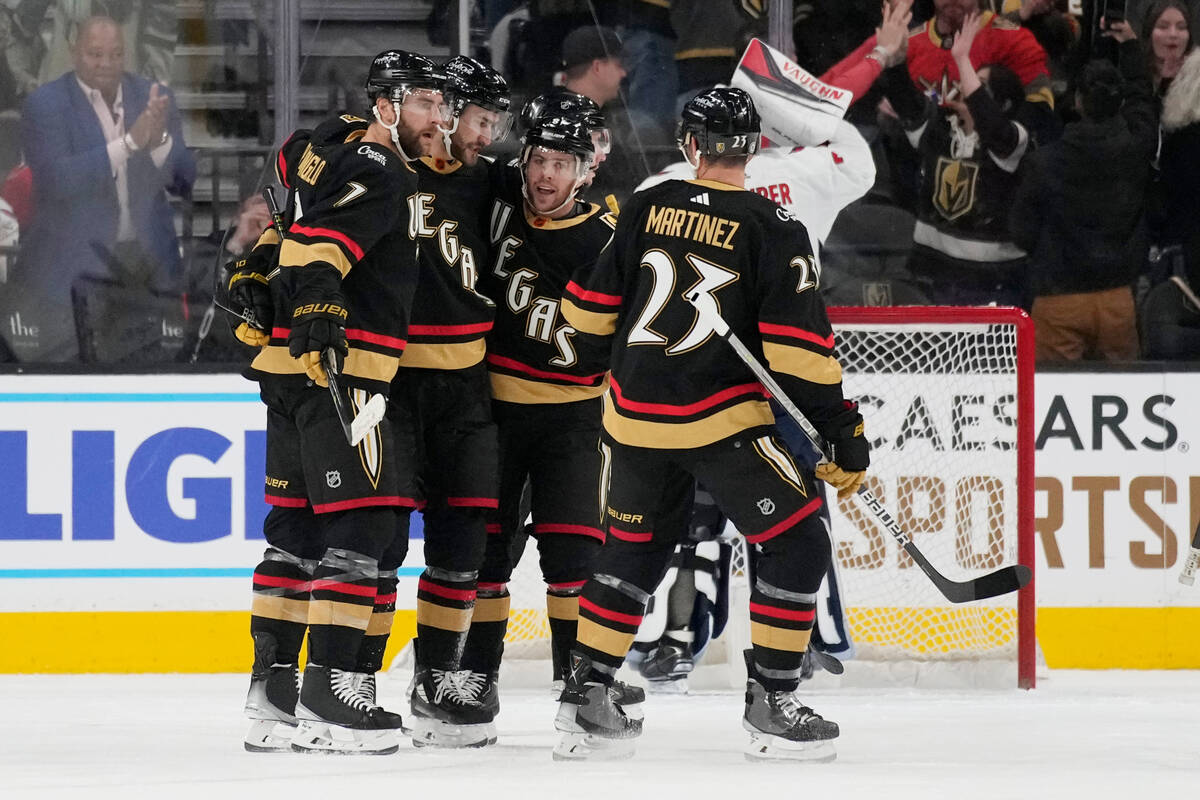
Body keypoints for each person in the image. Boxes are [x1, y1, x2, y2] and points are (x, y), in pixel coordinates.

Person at [555, 87, 869, 762]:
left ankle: (586, 696)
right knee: (797, 539)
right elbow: (798, 354)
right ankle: (774, 700)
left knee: (632, 552)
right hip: (717, 421)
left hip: (633, 418)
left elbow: (585, 315)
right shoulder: (772, 226)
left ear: (690, 145)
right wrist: (841, 429)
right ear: (753, 146)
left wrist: (601, 365)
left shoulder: (644, 205)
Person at [237, 49, 445, 756]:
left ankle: (272, 691)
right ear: (386, 104)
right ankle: (332, 689)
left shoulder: (324, 146)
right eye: (423, 105)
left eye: (440, 107)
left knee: (292, 532)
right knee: (363, 530)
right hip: (341, 371)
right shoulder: (382, 166)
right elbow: (321, 245)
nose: (436, 120)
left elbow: (286, 228)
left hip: (286, 372)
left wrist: (254, 269)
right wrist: (320, 298)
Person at [457, 107, 627, 740]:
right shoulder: (501, 194)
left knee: (574, 554)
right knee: (488, 552)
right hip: (495, 410)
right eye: (537, 162)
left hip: (576, 417)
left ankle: (577, 686)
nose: (544, 176)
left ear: (584, 172)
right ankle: (474, 676)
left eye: (560, 165)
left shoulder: (611, 236)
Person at [390, 55, 511, 749]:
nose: (484, 135)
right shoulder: (384, 169)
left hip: (468, 388)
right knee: (372, 542)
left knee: (464, 541)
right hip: (393, 385)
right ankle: (346, 683)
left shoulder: (490, 185)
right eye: (479, 120)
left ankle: (437, 678)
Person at [17, 14, 194, 362]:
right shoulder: (45, 104)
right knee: (69, 386)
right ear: (73, 52)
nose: (106, 64)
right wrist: (128, 144)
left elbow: (185, 180)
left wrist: (158, 140)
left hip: (145, 272)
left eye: (115, 54)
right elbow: (57, 181)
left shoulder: (153, 97)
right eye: (95, 54)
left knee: (150, 386)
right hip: (72, 274)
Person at [1010, 41, 1157, 360]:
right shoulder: (1135, 150)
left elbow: (1021, 231)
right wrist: (1132, 48)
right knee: (1125, 399)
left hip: (1058, 297)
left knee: (1051, 400)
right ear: (1119, 104)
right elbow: (1144, 107)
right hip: (1117, 297)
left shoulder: (1045, 162)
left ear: (1077, 101)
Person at [882, 11, 1033, 306]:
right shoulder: (940, 126)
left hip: (994, 282)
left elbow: (992, 126)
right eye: (968, 81)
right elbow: (906, 102)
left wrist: (962, 59)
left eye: (979, 86)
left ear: (1003, 104)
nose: (966, 87)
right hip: (933, 273)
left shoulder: (1016, 139)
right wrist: (895, 59)